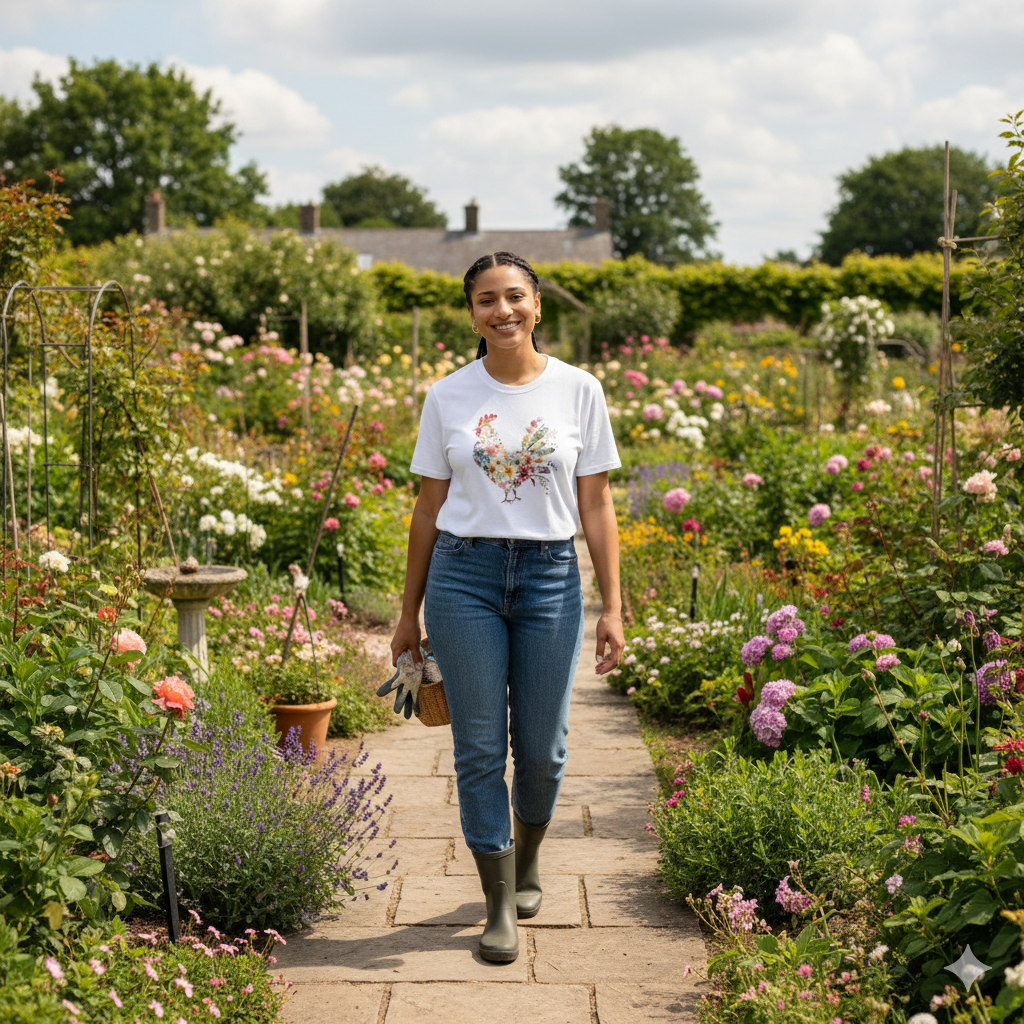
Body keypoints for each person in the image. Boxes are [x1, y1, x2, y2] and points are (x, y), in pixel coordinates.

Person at [390, 250, 624, 964]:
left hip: (552, 576)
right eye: (486, 300)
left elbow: (597, 501)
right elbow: (428, 509)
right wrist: (409, 613)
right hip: (466, 577)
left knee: (545, 750)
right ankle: (497, 901)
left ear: (537, 305)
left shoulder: (580, 390)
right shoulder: (447, 396)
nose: (503, 311)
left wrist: (614, 606)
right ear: (472, 314)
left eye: (514, 297)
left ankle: (528, 860)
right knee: (480, 747)